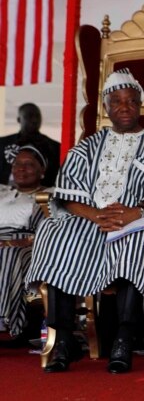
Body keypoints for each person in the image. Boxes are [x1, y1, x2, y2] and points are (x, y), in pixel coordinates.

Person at [25, 68, 144, 374]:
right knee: (53, 230)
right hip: (91, 221)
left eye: (130, 101)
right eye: (116, 102)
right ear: (106, 108)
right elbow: (67, 192)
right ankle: (62, 340)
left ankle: (123, 340)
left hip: (138, 218)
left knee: (140, 239)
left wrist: (133, 213)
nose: (124, 107)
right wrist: (96, 215)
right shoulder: (87, 145)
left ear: (140, 104)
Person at [0, 145, 49, 346]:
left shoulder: (49, 195)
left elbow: (51, 231)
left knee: (10, 253)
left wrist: (12, 242)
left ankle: (4, 320)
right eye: (17, 164)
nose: (21, 169)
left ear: (42, 171)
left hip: (30, 245)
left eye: (29, 165)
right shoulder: (2, 191)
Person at [0, 103, 60, 187]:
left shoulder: (55, 147)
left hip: (40, 195)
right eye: (29, 116)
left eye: (38, 116)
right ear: (19, 119)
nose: (34, 120)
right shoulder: (2, 143)